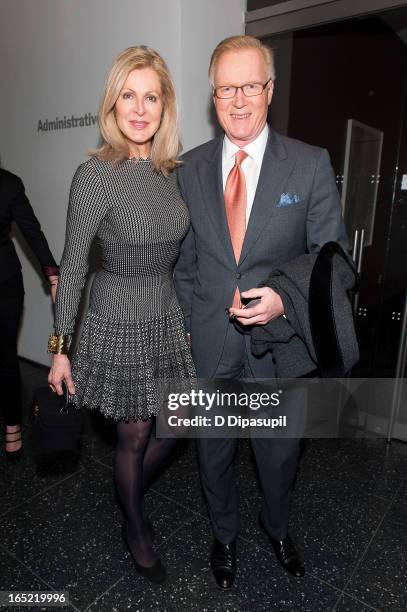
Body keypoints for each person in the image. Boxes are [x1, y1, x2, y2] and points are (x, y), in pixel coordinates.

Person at [174, 35, 348, 589]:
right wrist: (184, 334)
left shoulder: (309, 164)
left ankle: (276, 527)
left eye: (250, 85)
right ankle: (222, 534)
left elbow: (334, 259)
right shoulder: (189, 168)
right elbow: (182, 263)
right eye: (226, 88)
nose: (239, 100)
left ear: (270, 89)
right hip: (209, 345)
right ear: (214, 94)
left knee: (278, 460)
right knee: (213, 457)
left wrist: (282, 297)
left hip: (281, 345)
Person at [48, 46, 195, 584]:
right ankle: (135, 526)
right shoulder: (94, 175)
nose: (139, 109)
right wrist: (59, 350)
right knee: (133, 438)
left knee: (181, 421)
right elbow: (72, 267)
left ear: (165, 106)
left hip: (163, 312)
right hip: (118, 316)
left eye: (150, 96)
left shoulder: (168, 173)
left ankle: (127, 490)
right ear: (112, 106)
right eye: (128, 96)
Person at [0, 168, 59, 460]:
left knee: (6, 358)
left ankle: (13, 425)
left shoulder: (8, 182)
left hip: (4, 283)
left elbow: (32, 231)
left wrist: (53, 276)